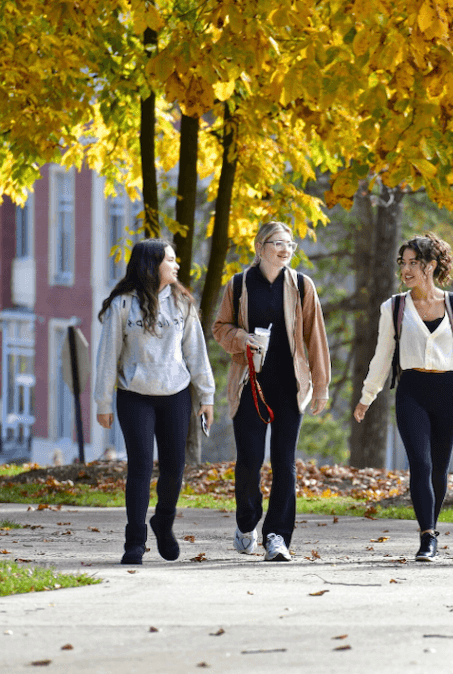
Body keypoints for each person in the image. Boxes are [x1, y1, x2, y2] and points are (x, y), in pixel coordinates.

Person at [354, 233, 453, 562]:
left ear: (432, 266)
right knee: (420, 465)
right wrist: (367, 397)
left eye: (414, 263)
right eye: (403, 263)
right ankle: (427, 536)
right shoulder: (394, 307)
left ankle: (433, 527)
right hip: (411, 390)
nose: (406, 270)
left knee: (439, 468)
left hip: (448, 393)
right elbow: (382, 356)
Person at [212, 221, 331, 562]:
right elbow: (220, 328)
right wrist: (242, 339)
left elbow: (316, 339)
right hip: (249, 383)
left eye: (290, 245)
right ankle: (247, 521)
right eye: (278, 243)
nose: (285, 249)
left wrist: (320, 387)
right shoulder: (238, 285)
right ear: (260, 246)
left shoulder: (302, 287)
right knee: (250, 459)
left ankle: (277, 536)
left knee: (284, 462)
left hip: (289, 385)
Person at [94, 238, 215, 565]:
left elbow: (196, 352)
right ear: (152, 264)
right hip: (135, 396)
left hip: (176, 394)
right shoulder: (122, 305)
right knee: (141, 467)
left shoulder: (183, 303)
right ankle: (134, 542)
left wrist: (206, 396)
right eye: (170, 260)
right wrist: (103, 402)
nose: (176, 266)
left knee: (175, 467)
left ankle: (164, 520)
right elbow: (108, 356)